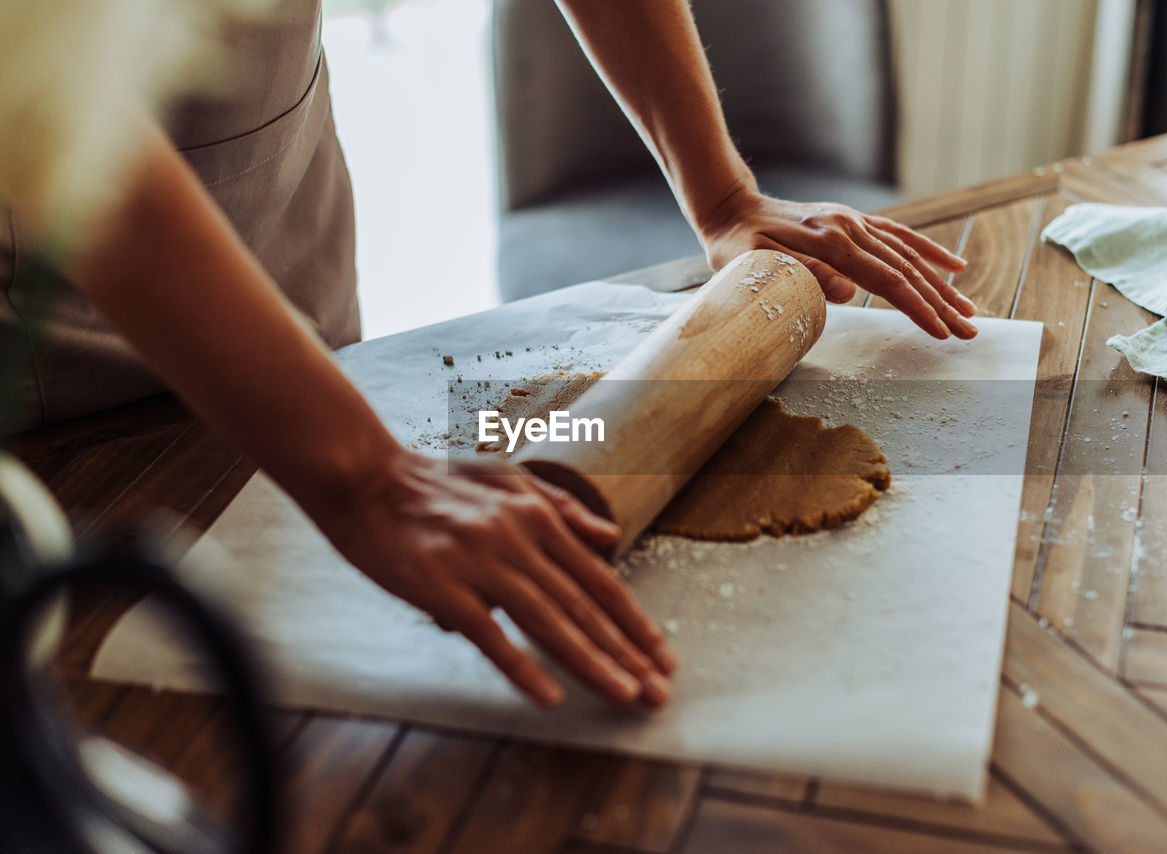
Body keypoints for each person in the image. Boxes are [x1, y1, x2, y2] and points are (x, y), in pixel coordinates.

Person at [0, 0, 975, 709]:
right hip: (60, 389)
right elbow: (49, 117)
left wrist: (719, 191)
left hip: (283, 260)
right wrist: (366, 478)